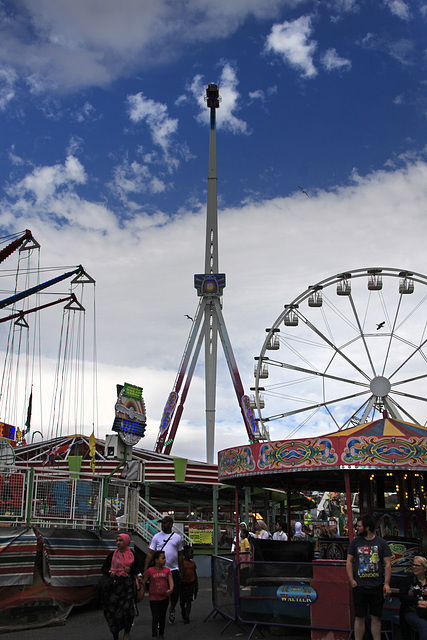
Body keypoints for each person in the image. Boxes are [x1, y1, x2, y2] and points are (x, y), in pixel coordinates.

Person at [346, 514, 392, 640]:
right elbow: (349, 561)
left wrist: (386, 583)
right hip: (360, 585)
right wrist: (352, 580)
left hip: (376, 585)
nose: (357, 528)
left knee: (376, 617)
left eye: (359, 526)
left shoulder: (381, 543)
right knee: (359, 616)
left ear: (367, 527)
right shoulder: (355, 542)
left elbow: (388, 564)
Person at [144, 515, 183, 624]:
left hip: (173, 569)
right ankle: (160, 613)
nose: (162, 525)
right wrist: (145, 569)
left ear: (170, 525)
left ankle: (172, 609)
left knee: (174, 593)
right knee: (159, 592)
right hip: (159, 570)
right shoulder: (156, 537)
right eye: (162, 523)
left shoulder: (177, 538)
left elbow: (180, 554)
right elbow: (150, 553)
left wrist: (181, 570)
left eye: (165, 523)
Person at [101, 533, 137, 640]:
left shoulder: (133, 554)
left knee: (127, 611)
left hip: (128, 586)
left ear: (126, 541)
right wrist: (110, 573)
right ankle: (115, 634)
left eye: (121, 540)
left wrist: (130, 570)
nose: (118, 543)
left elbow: (139, 568)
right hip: (115, 586)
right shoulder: (112, 555)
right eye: (117, 541)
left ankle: (126, 631)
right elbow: (104, 568)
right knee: (112, 611)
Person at [140, 550, 173, 639]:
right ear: (156, 560)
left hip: (164, 597)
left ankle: (161, 634)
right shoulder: (150, 571)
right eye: (163, 558)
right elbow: (144, 581)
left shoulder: (167, 570)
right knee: (155, 617)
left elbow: (170, 582)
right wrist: (139, 585)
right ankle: (154, 634)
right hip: (154, 598)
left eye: (165, 558)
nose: (165, 560)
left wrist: (170, 590)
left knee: (162, 617)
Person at [399, 555, 427, 639]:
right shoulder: (408, 580)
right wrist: (418, 602)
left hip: (426, 610)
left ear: (424, 568)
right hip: (412, 611)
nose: (414, 567)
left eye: (417, 565)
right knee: (423, 624)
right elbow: (402, 597)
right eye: (413, 565)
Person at [179, 546, 198, 624]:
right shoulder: (182, 563)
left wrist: (196, 586)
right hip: (183, 583)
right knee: (182, 601)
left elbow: (195, 574)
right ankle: (183, 610)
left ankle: (187, 615)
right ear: (186, 554)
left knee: (189, 600)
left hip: (191, 583)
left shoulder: (193, 563)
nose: (193, 555)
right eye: (191, 553)